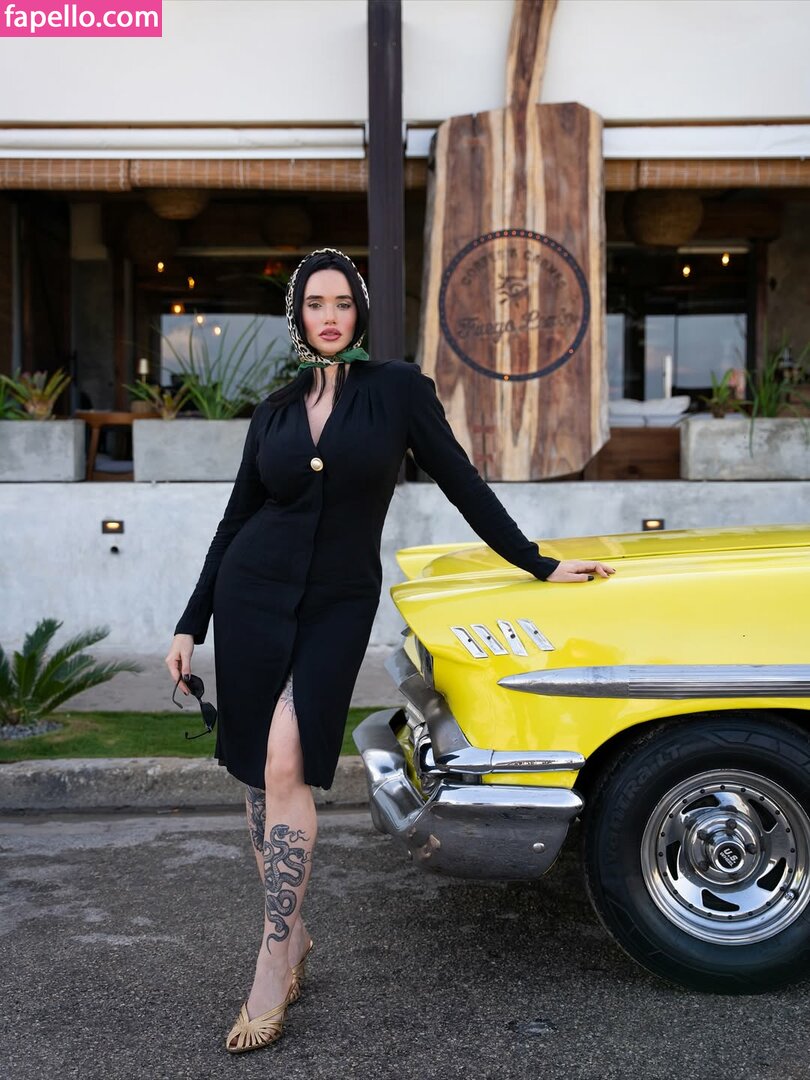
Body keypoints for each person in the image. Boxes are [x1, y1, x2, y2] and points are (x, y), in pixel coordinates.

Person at [165, 247, 615, 1054]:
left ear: (359, 313)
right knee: (258, 772)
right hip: (251, 598)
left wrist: (537, 562)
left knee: (287, 759)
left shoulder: (398, 390)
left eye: (342, 303)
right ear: (297, 317)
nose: (329, 316)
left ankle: (271, 958)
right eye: (314, 304)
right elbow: (235, 521)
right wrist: (189, 623)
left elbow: (461, 480)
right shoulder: (273, 411)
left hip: (336, 606)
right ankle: (294, 936)